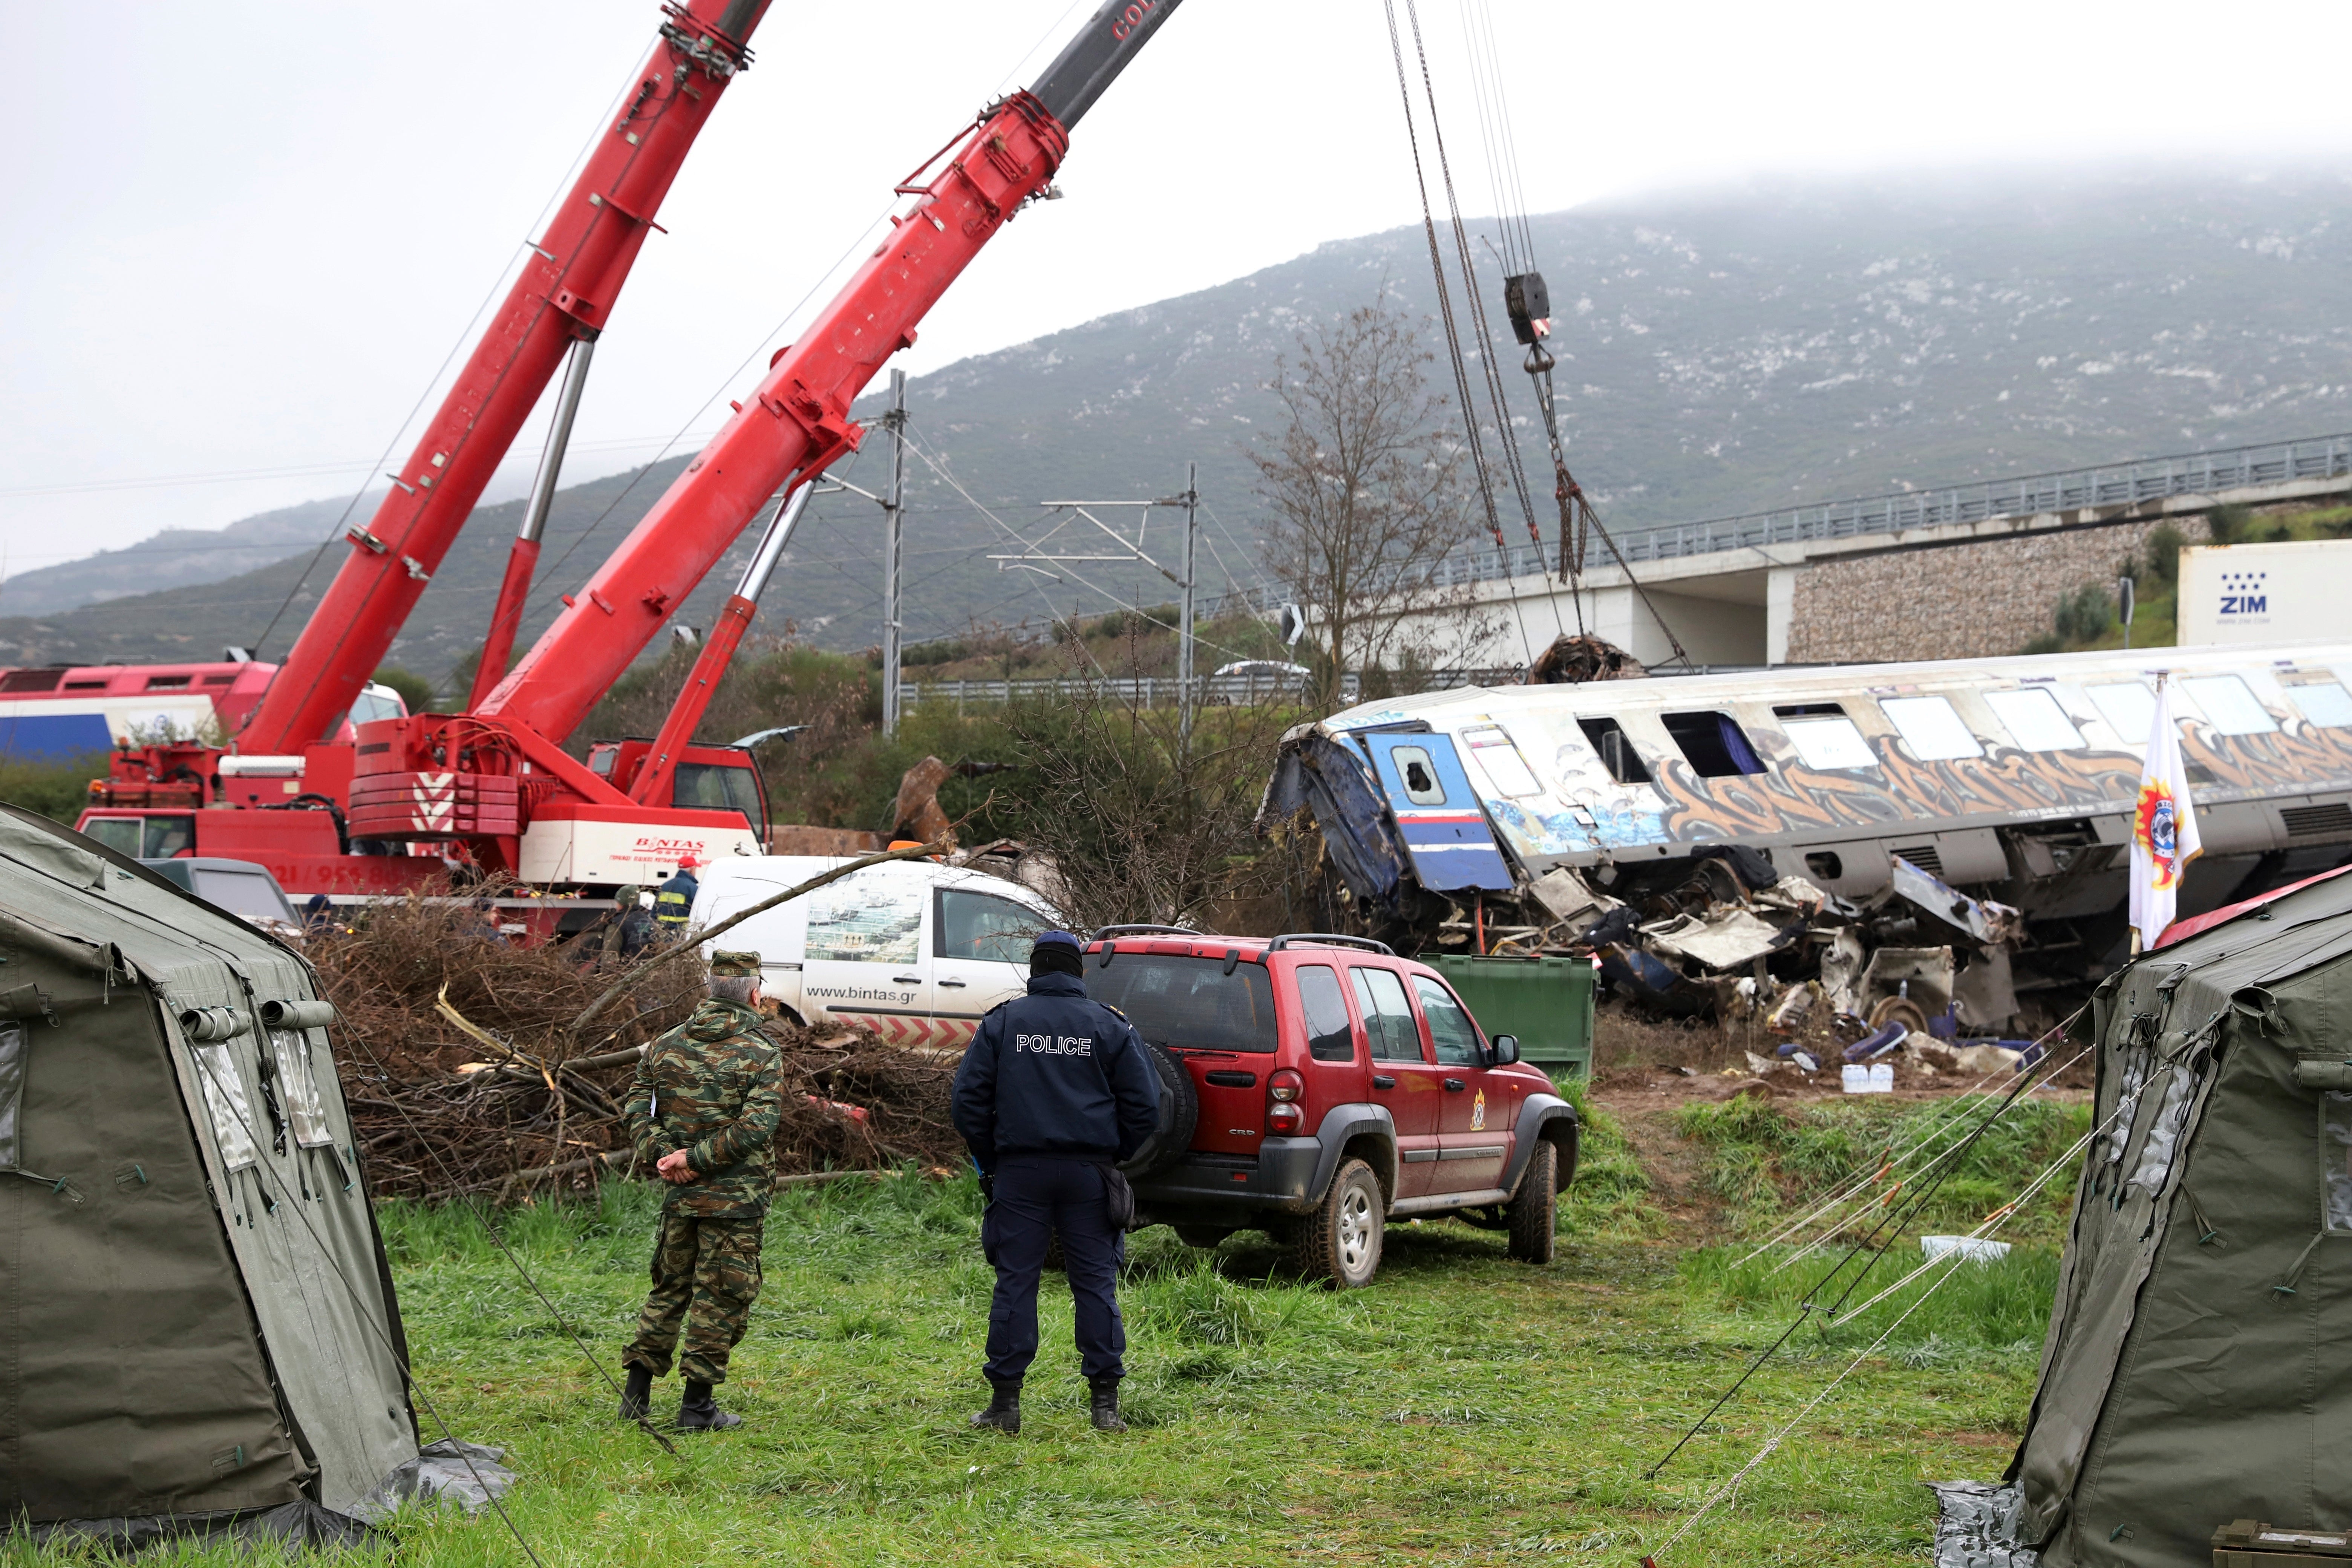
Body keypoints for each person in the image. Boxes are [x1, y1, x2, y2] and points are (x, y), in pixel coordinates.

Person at [951, 930, 1159, 1435]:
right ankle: (1105, 1407)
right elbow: (1146, 1106)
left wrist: (991, 1159)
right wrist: (1114, 1155)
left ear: (1035, 970)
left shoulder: (1004, 1023)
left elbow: (967, 1102)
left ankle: (1005, 1407)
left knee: (1016, 1284)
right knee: (1095, 1286)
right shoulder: (1109, 1027)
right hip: (1090, 1173)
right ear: (1078, 972)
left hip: (1020, 1173)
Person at [618, 950, 782, 1432]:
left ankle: (636, 1397)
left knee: (669, 1288)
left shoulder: (664, 1045)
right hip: (736, 1201)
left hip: (681, 1196)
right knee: (721, 1296)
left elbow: (636, 1109)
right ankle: (697, 1407)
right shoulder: (761, 1052)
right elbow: (758, 1125)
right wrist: (690, 1159)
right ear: (755, 992)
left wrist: (666, 1156)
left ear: (711, 990)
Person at [594, 884, 658, 965]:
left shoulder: (617, 924)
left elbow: (610, 957)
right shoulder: (650, 921)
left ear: (622, 903)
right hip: (649, 973)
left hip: (626, 974)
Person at [653, 856, 702, 934]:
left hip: (662, 934)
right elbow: (699, 915)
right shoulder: (693, 889)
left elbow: (654, 913)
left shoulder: (665, 886)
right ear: (692, 869)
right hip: (682, 935)